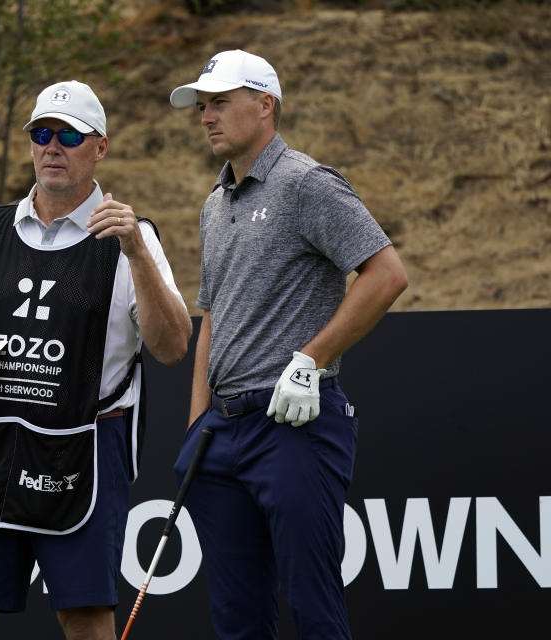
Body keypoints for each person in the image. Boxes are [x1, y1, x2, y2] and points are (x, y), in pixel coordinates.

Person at [0, 79, 192, 640]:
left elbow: (172, 347)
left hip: (83, 448)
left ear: (100, 148)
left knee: (85, 618)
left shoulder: (131, 237)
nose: (53, 146)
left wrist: (137, 252)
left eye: (70, 135)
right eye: (42, 133)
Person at [169, 50, 408, 639]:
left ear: (265, 104)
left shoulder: (307, 183)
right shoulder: (214, 203)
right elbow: (212, 314)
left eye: (220, 103)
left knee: (314, 612)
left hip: (295, 426)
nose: (206, 117)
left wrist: (312, 357)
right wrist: (198, 423)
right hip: (220, 437)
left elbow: (386, 274)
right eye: (203, 107)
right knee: (237, 622)